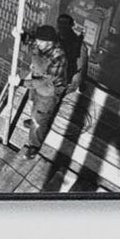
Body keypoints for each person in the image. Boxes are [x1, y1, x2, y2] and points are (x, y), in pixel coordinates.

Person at [19, 23, 69, 159]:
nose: (37, 43)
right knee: (34, 102)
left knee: (40, 115)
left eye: (41, 41)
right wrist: (20, 35)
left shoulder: (59, 57)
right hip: (38, 83)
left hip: (50, 88)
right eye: (37, 40)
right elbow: (29, 41)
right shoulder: (39, 44)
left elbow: (45, 80)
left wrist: (22, 83)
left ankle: (34, 145)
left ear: (50, 42)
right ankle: (36, 121)